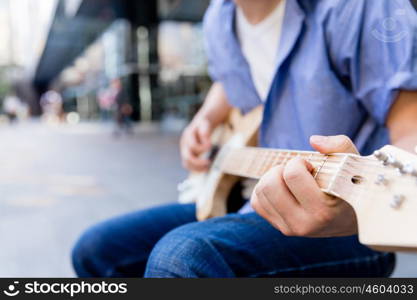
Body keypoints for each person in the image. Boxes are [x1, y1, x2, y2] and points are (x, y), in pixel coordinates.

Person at [72, 0, 417, 278]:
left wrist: (354, 210)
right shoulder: (219, 18)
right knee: (95, 250)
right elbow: (230, 80)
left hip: (347, 226)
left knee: (181, 258)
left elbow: (411, 129)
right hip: (247, 200)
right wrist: (205, 119)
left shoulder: (356, 7)